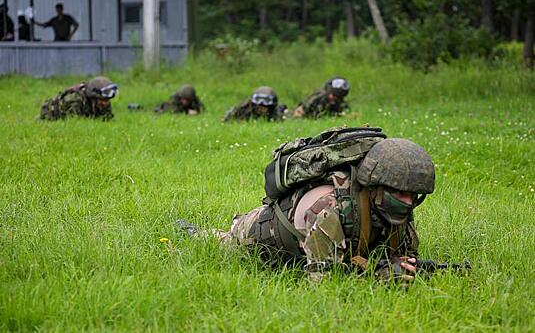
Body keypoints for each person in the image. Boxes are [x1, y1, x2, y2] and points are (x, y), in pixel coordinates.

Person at [178, 134, 436, 282]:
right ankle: (193, 232)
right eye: (400, 194)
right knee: (226, 241)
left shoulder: (390, 206)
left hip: (311, 240)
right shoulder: (328, 209)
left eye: (414, 196)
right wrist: (378, 275)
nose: (408, 202)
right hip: (261, 235)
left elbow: (401, 255)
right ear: (375, 185)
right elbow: (323, 282)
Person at [39, 76, 117, 121]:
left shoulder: (103, 102)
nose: (105, 103)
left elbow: (107, 120)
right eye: (102, 100)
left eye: (107, 100)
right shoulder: (75, 100)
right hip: (49, 118)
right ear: (94, 97)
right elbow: (74, 124)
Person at [222, 86, 287, 122]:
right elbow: (226, 119)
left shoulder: (277, 112)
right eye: (259, 107)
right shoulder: (245, 109)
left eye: (264, 107)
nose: (261, 109)